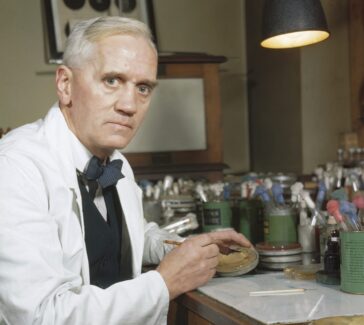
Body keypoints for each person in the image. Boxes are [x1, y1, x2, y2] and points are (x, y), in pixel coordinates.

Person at [0, 16, 250, 324]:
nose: (129, 105)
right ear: (65, 84)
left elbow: (127, 233)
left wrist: (182, 248)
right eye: (112, 80)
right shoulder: (15, 168)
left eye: (143, 87)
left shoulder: (116, 162)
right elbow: (42, 317)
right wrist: (164, 282)